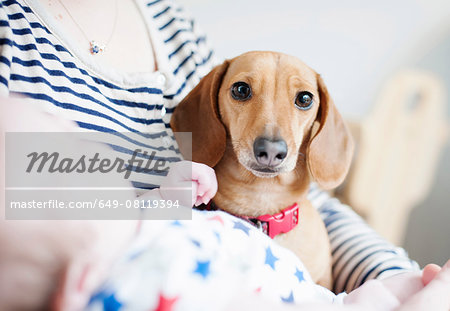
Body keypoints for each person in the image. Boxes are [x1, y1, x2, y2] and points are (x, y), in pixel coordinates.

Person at [0, 0, 449, 310]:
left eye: (301, 101)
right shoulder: (12, 30)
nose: (271, 141)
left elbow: (308, 201)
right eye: (242, 93)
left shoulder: (169, 22)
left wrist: (397, 278)